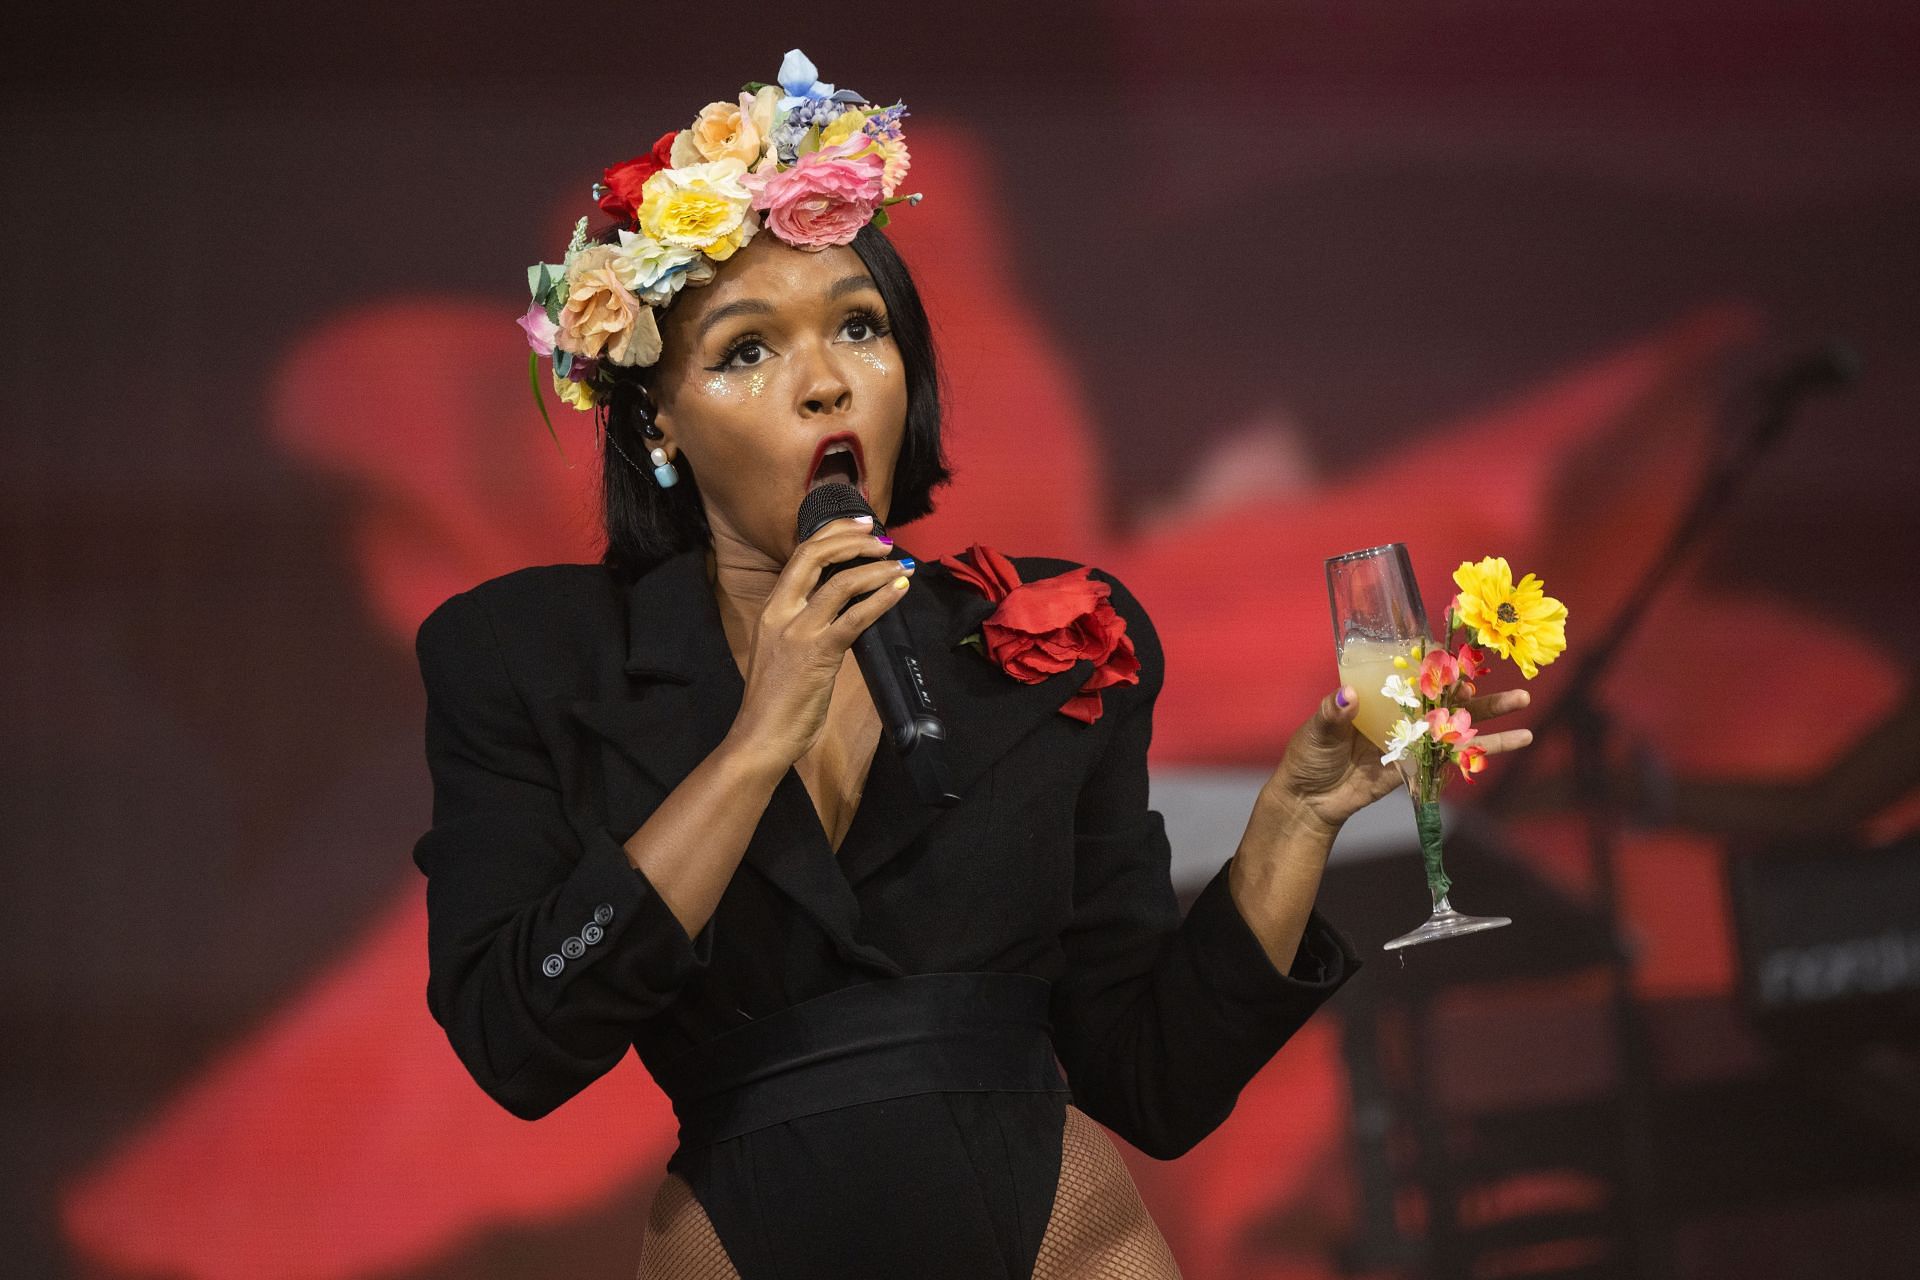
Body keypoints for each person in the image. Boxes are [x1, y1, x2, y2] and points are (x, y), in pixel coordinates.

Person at [412, 50, 1535, 1278]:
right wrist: (754, 745)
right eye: (746, 350)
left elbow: (1151, 1078)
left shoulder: (1054, 638)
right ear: (656, 419)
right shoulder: (528, 655)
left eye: (859, 326)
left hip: (1063, 1238)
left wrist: (1293, 820)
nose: (826, 379)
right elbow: (518, 1036)